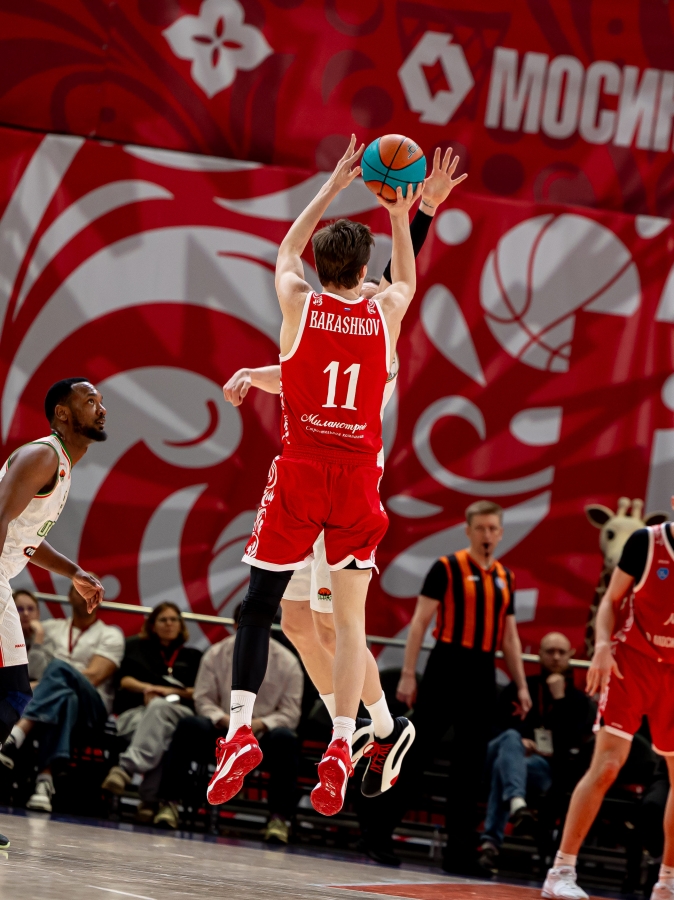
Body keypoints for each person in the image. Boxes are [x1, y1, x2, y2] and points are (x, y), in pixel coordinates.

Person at [208, 135, 456, 817]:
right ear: (364, 275)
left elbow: (312, 267)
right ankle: (360, 733)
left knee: (310, 617)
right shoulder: (381, 317)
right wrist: (410, 212)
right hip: (351, 480)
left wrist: (371, 198)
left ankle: (376, 727)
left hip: (310, 472)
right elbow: (399, 282)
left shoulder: (318, 309)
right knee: (306, 621)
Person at [363, 499, 532, 873]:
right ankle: (377, 834)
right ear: (468, 530)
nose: (487, 534)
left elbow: (509, 637)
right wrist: (409, 673)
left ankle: (459, 854)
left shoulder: (505, 577)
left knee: (470, 767)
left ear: (501, 533)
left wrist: (521, 685)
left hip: (482, 670)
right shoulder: (447, 567)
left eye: (493, 528)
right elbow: (420, 622)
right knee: (416, 754)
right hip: (446, 665)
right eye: (481, 528)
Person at [541, 505, 674, 900]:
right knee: (607, 765)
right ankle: (561, 870)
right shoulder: (646, 542)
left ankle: (667, 882)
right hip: (632, 662)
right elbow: (610, 600)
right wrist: (601, 645)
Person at [0, 378, 106, 842]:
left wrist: (74, 571)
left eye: (101, 401)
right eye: (90, 401)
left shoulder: (59, 465)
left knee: (12, 697)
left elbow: (25, 537)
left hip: (2, 577)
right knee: (12, 696)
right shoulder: (43, 455)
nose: (101, 408)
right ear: (63, 413)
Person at [159, 602, 303, 841]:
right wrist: (226, 720)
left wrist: (257, 724)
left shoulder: (288, 662)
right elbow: (203, 699)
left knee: (286, 739)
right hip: (222, 730)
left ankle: (279, 820)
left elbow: (290, 713)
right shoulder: (216, 654)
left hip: (261, 736)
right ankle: (169, 804)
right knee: (189, 726)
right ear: (236, 626)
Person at [0, 580, 123, 811]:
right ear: (69, 596)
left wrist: (47, 681)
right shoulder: (51, 628)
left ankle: (17, 733)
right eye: (82, 588)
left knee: (58, 669)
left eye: (95, 589)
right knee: (65, 699)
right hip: (55, 703)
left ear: (100, 598)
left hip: (93, 708)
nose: (88, 593)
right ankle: (44, 783)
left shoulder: (111, 634)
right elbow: (27, 665)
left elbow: (94, 676)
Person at [479, 632, 593, 872]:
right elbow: (491, 728)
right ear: (539, 654)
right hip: (497, 754)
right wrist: (519, 741)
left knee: (504, 768)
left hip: (541, 768)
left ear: (570, 656)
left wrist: (559, 700)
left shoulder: (578, 701)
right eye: (550, 651)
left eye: (561, 652)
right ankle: (515, 807)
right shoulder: (519, 689)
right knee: (510, 739)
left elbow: (571, 746)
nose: (556, 657)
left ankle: (494, 840)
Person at [101, 602, 202, 823]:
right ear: (153, 625)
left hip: (179, 713)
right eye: (163, 620)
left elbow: (199, 691)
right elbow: (125, 680)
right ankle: (149, 800)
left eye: (174, 619)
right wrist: (148, 689)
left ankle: (125, 769)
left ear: (181, 625)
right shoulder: (135, 647)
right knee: (168, 735)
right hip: (135, 714)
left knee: (160, 708)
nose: (169, 624)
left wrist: (167, 692)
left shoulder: (193, 656)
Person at [13, 590, 44, 682]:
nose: (26, 613)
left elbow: (34, 674)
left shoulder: (48, 639)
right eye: (19, 609)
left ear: (38, 613)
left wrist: (39, 635)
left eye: (30, 609)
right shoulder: (4, 641)